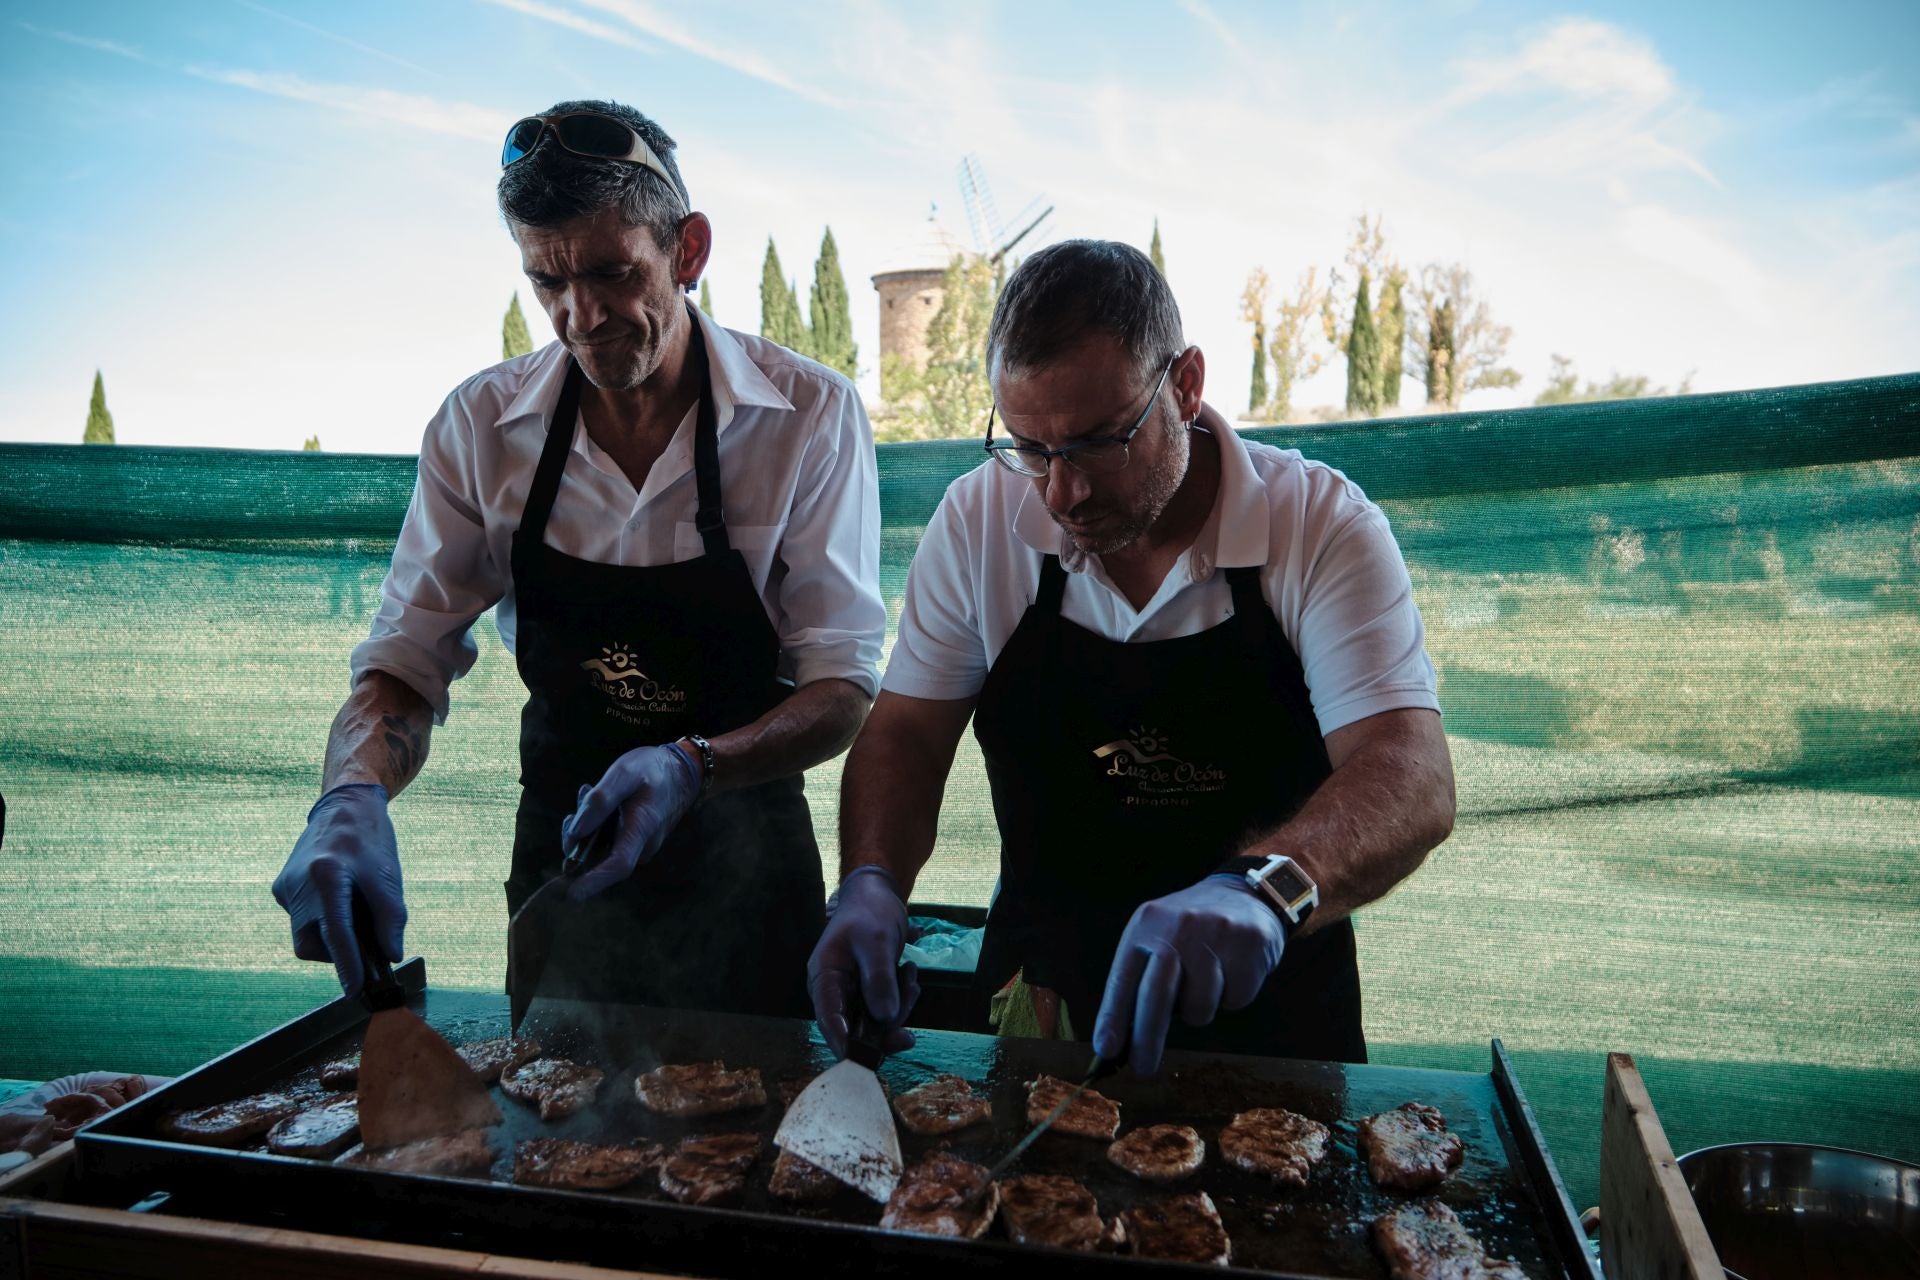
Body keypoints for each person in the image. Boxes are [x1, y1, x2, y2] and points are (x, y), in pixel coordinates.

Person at [273, 101, 884, 1018]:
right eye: (546, 282)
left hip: (752, 873)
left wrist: (690, 766)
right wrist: (350, 798)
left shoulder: (807, 417)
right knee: (550, 1132)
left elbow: (841, 687)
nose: (580, 316)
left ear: (688, 251)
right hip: (566, 874)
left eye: (610, 272)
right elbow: (406, 660)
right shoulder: (481, 428)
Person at [808, 240, 1454, 1075]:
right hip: (1043, 1011)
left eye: (1097, 445)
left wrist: (1265, 887)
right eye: (1032, 450)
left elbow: (1410, 770)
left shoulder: (1317, 524)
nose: (1061, 494)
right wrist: (870, 882)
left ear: (1184, 385)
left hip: (1277, 1028)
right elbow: (906, 736)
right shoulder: (978, 522)